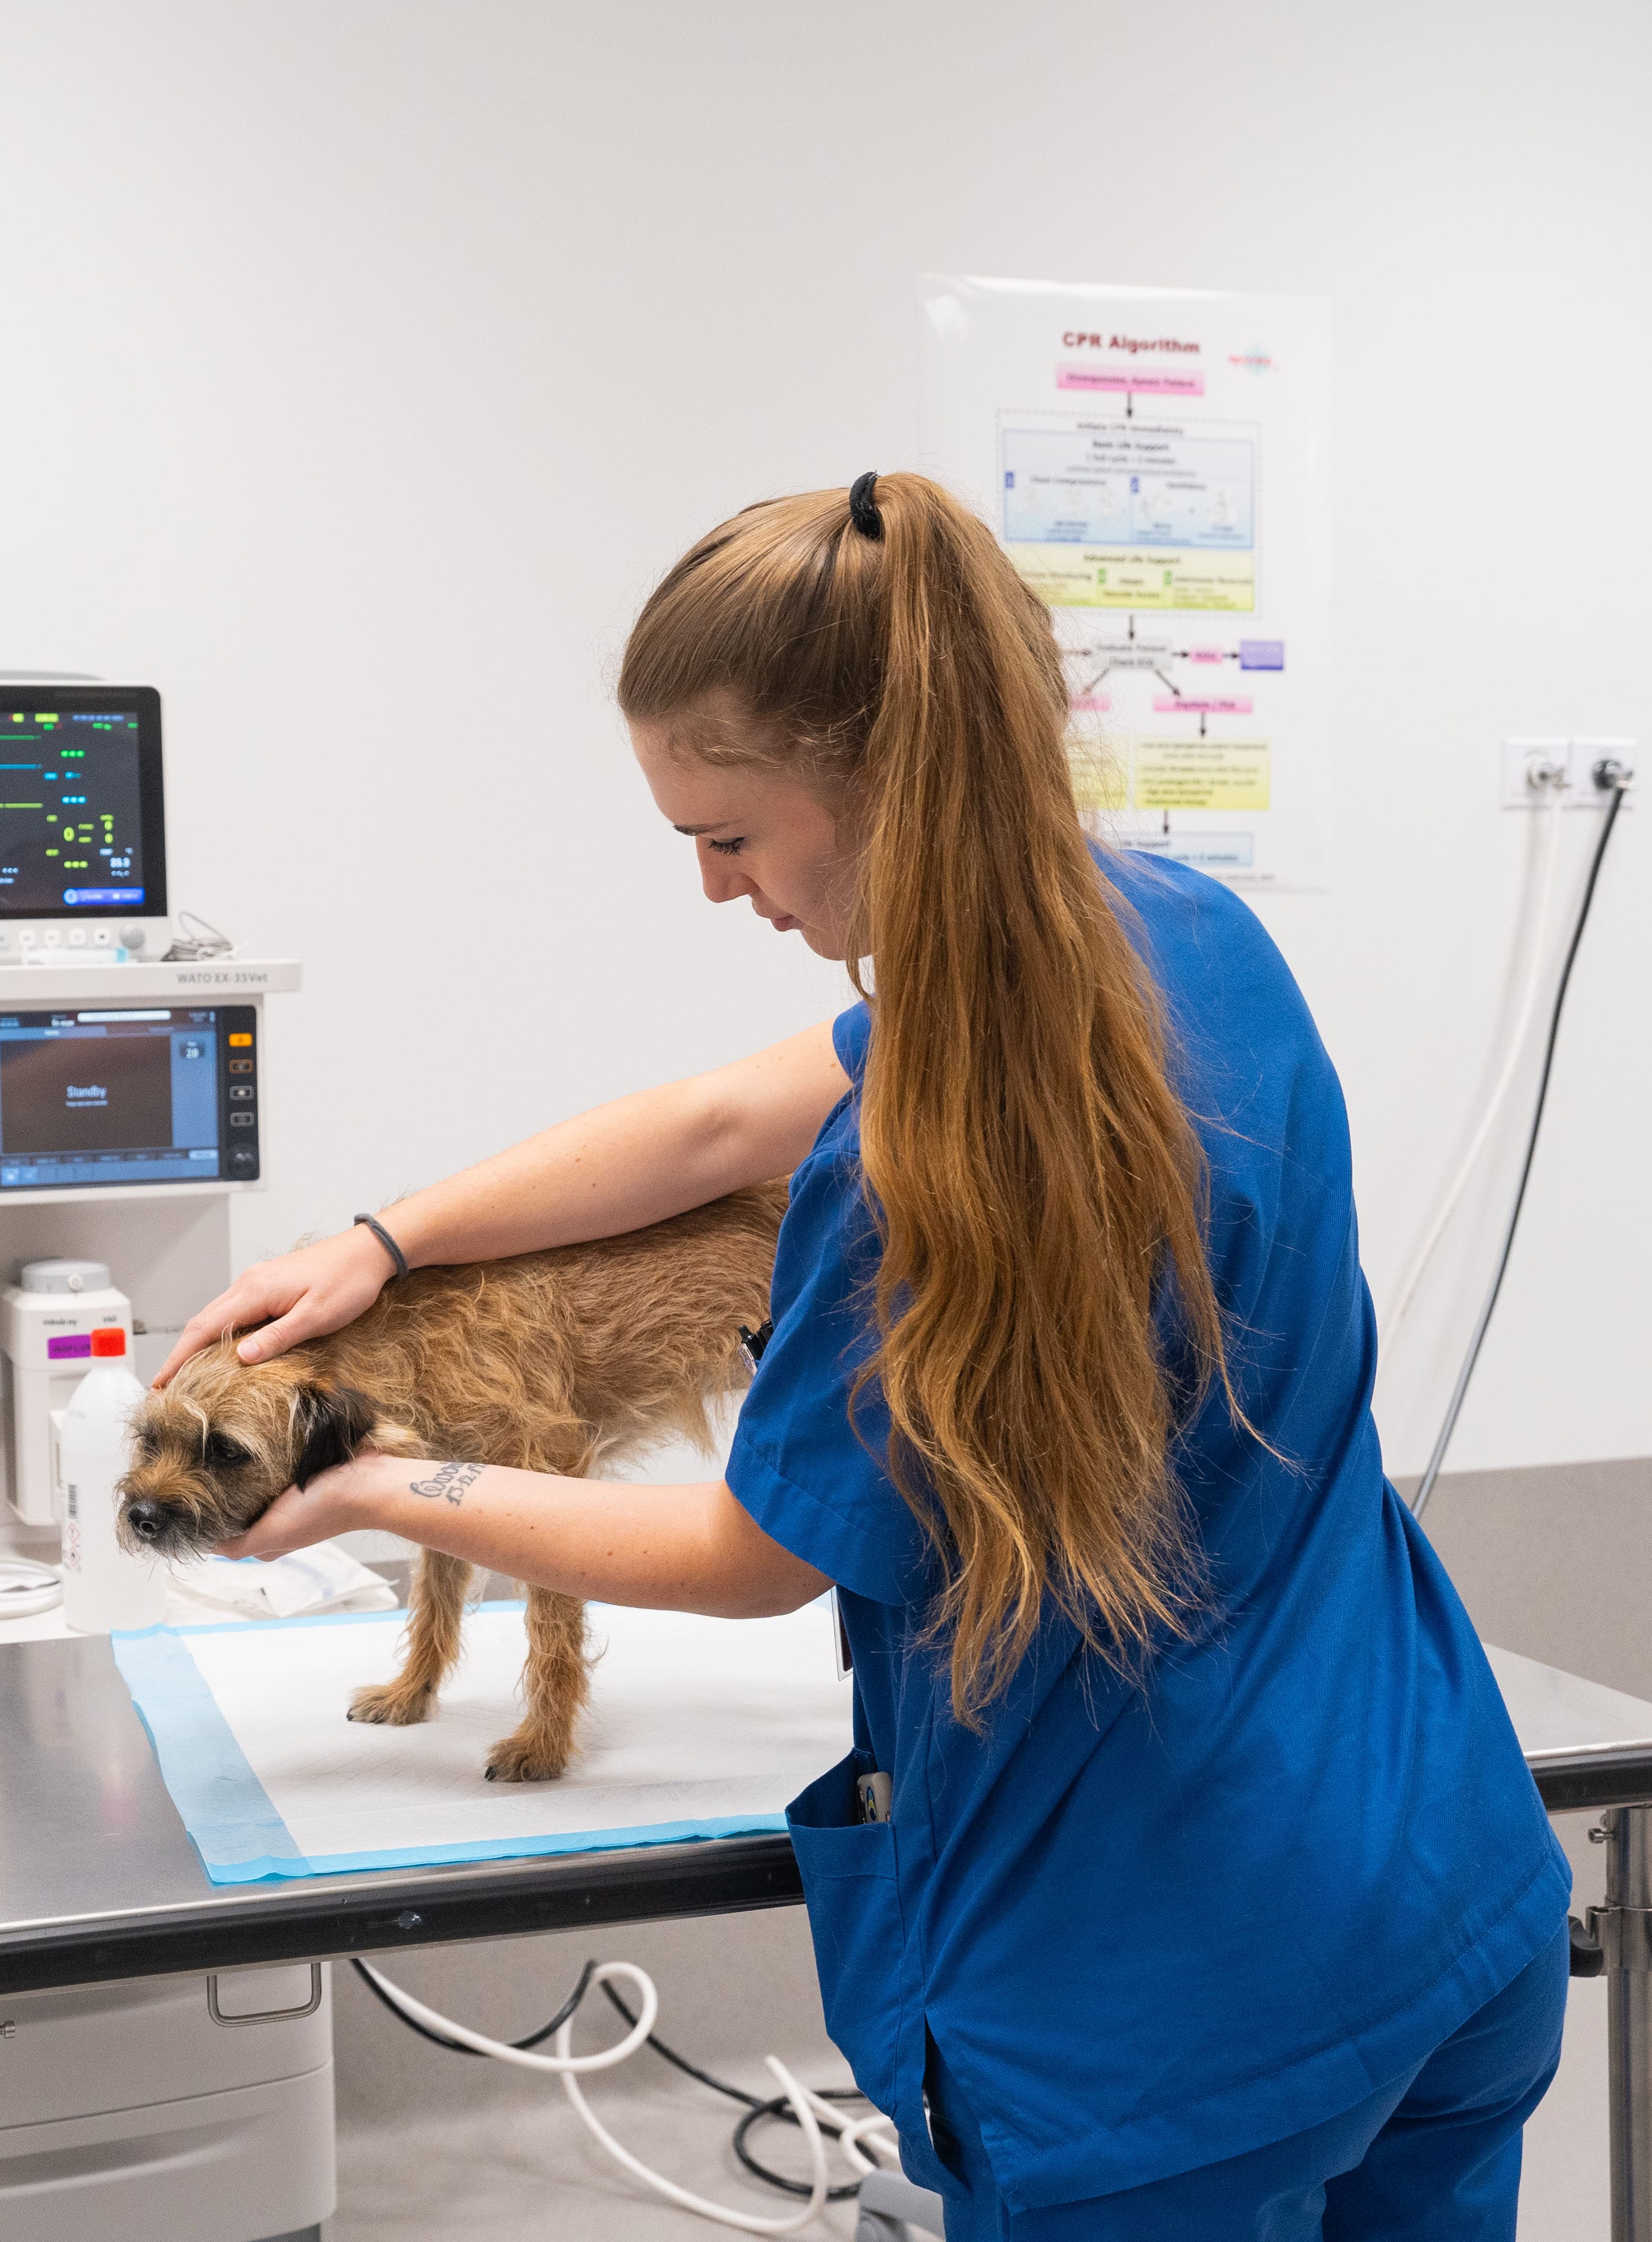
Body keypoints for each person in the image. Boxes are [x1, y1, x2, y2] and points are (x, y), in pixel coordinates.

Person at [164, 475, 1574, 2239]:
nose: (708, 885)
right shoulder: (1181, 931)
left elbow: (755, 1558)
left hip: (1168, 2014)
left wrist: (384, 1483)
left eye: (734, 836)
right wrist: (382, 1242)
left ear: (885, 782)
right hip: (1438, 1886)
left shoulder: (921, 1163)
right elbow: (712, 1121)